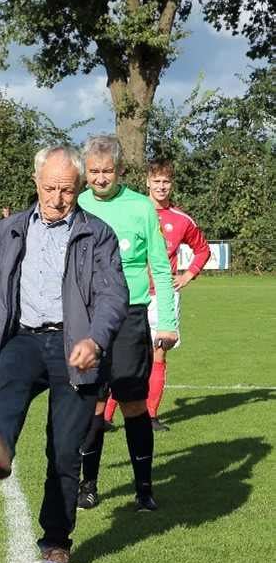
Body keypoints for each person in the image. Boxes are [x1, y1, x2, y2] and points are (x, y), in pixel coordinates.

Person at [0, 145, 128, 563]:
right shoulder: (11, 230)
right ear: (36, 182)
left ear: (79, 189)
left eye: (68, 191)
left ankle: (56, 544)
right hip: (24, 337)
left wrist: (95, 340)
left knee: (63, 451)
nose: (57, 199)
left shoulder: (99, 234)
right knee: (9, 385)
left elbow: (115, 297)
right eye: (50, 188)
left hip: (76, 347)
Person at [77, 135, 177, 513]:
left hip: (131, 316)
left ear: (120, 171)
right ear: (85, 172)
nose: (100, 178)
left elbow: (161, 267)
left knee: (133, 403)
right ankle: (88, 485)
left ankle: (144, 489)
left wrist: (166, 320)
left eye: (107, 171)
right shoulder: (77, 204)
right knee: (92, 402)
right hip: (87, 317)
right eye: (93, 171)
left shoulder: (140, 208)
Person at [104, 157, 211, 431]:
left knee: (159, 354)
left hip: (162, 296)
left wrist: (188, 275)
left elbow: (203, 249)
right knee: (119, 354)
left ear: (171, 184)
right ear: (147, 182)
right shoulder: (134, 209)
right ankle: (104, 417)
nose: (161, 186)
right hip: (131, 294)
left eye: (166, 182)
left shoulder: (181, 219)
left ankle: (149, 415)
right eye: (157, 181)